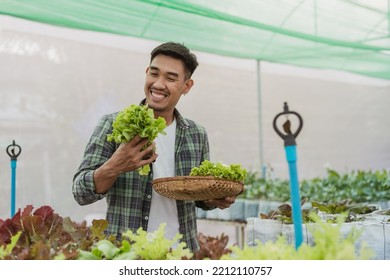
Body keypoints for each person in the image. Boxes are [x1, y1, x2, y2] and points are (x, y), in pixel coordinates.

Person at [72, 42, 237, 252]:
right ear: (146, 73)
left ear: (187, 86)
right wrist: (114, 166)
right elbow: (80, 192)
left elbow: (198, 197)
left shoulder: (196, 134)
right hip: (127, 255)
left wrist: (215, 197)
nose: (158, 84)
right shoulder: (113, 125)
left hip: (182, 254)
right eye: (154, 73)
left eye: (170, 78)